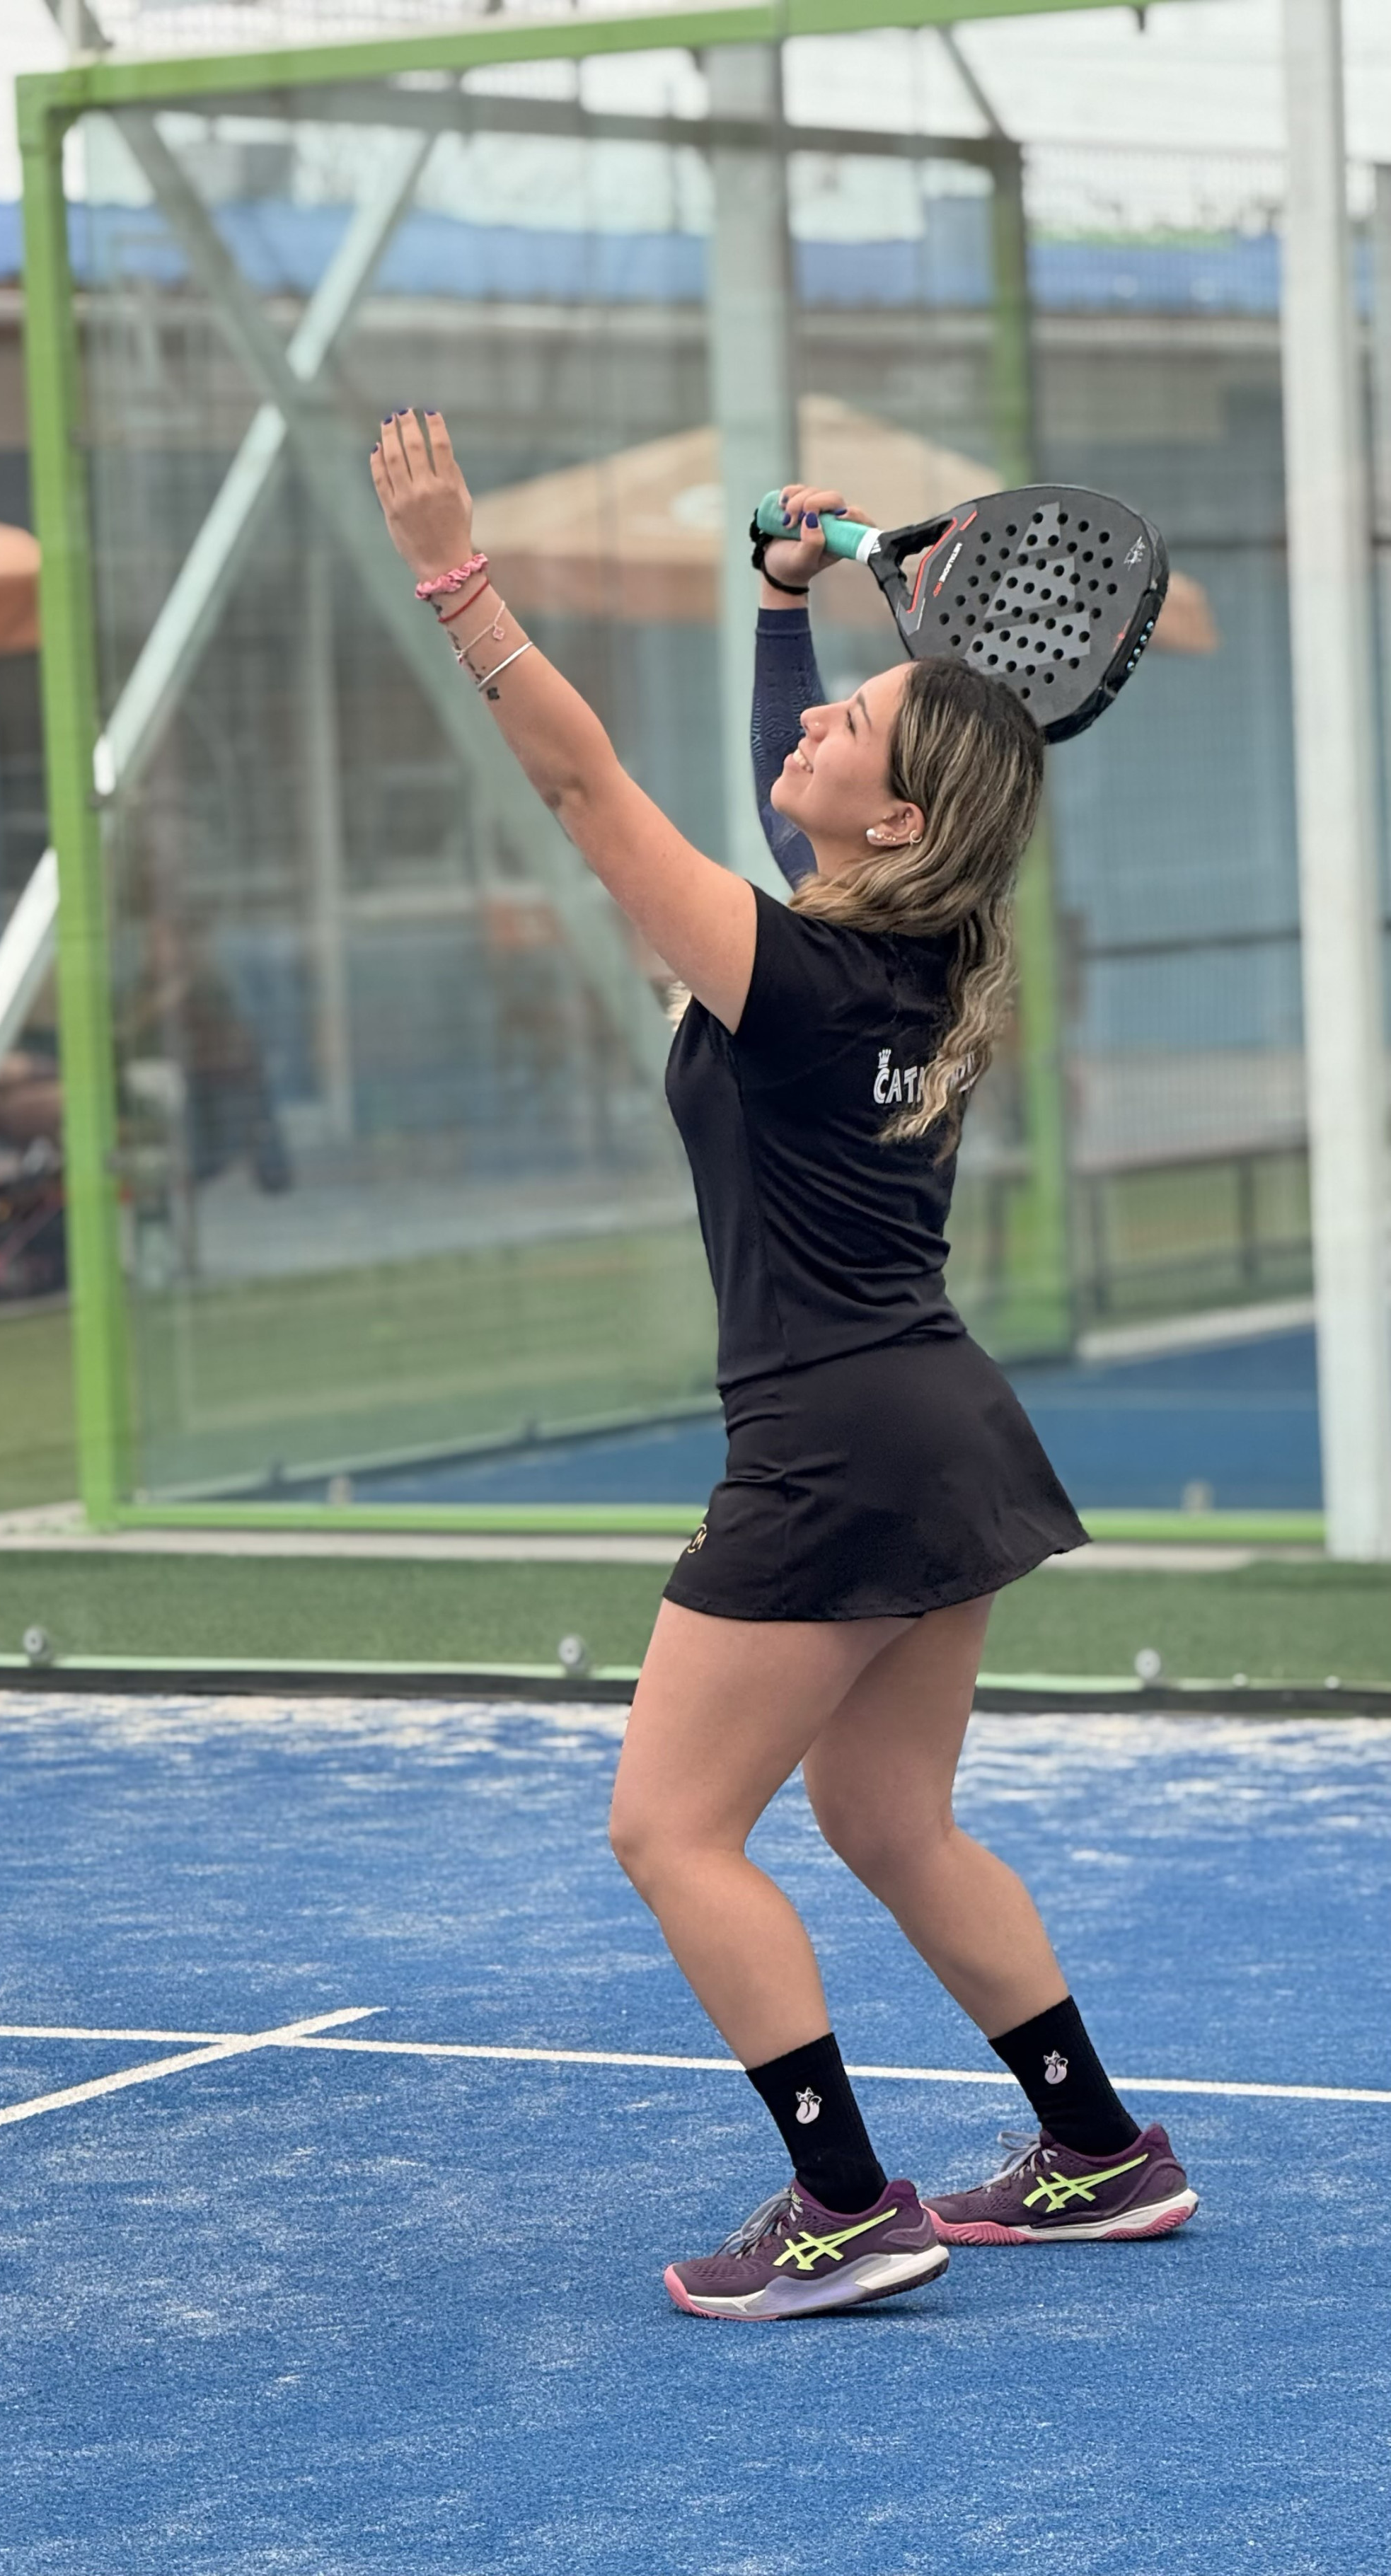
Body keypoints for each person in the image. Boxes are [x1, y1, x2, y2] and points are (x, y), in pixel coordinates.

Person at [369, 409, 1196, 2323]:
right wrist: (776, 607)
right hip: (941, 1432)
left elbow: (584, 789)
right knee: (890, 1820)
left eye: (853, 723)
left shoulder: (801, 978)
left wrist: (455, 577)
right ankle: (1100, 2150)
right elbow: (790, 805)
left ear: (896, 820)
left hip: (832, 1445)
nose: (816, 725)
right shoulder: (917, 949)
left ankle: (843, 2205)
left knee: (671, 1828)